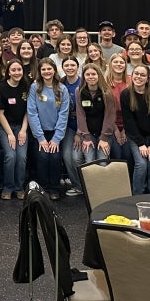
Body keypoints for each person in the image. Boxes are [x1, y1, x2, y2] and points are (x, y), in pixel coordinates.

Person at [27, 58, 69, 201]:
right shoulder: (35, 87)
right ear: (40, 71)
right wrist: (40, 138)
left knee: (55, 158)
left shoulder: (62, 89)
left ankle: (54, 189)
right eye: (43, 69)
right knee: (42, 158)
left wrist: (56, 139)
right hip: (40, 132)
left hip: (56, 132)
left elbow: (64, 114)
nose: (46, 72)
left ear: (54, 70)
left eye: (49, 69)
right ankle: (43, 189)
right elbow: (32, 113)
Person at [121, 65, 150, 194]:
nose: (138, 77)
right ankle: (137, 194)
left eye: (142, 75)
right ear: (132, 75)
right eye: (136, 74)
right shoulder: (126, 94)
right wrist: (140, 144)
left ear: (147, 79)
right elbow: (129, 122)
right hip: (135, 137)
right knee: (141, 164)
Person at [0, 58, 30, 200]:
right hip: (5, 126)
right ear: (8, 72)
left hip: (22, 126)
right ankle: (8, 187)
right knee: (11, 156)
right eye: (13, 70)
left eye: (19, 70)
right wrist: (10, 134)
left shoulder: (26, 86)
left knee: (21, 157)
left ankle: (19, 187)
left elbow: (29, 111)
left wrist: (23, 130)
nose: (17, 72)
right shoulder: (2, 87)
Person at [76, 62, 116, 167]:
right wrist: (86, 137)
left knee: (102, 163)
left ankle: (101, 184)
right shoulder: (79, 91)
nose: (91, 77)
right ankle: (87, 184)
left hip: (104, 134)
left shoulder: (106, 92)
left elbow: (110, 116)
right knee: (89, 163)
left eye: (93, 74)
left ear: (99, 75)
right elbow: (80, 114)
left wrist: (104, 138)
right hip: (87, 134)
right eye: (87, 75)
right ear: (83, 77)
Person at [59, 56, 83, 197]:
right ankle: (77, 185)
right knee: (68, 156)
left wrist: (80, 133)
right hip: (67, 126)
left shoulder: (83, 82)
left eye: (72, 65)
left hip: (82, 126)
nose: (69, 68)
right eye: (66, 65)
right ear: (62, 68)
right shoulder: (61, 84)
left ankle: (86, 186)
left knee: (76, 157)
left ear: (77, 66)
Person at [104, 53, 130, 161]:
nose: (118, 64)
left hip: (129, 124)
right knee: (117, 155)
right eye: (115, 62)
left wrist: (124, 129)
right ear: (110, 64)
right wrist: (116, 129)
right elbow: (105, 110)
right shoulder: (104, 82)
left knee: (127, 154)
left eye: (121, 62)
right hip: (110, 124)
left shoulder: (131, 81)